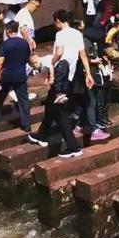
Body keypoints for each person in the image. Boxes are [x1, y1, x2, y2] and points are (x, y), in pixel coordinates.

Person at [28, 9, 94, 159]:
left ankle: (73, 147)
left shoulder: (60, 35)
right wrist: (88, 74)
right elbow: (82, 55)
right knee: (51, 106)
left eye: (55, 21)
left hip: (60, 75)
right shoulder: (77, 34)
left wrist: (49, 67)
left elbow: (58, 53)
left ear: (58, 20)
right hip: (69, 76)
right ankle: (42, 135)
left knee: (61, 111)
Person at [0, 21, 32, 132]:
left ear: (8, 31)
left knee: (0, 96)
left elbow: (0, 62)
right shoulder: (24, 43)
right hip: (20, 75)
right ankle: (27, 124)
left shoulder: (6, 44)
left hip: (7, 75)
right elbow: (27, 58)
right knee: (24, 100)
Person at [72, 20, 110, 142]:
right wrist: (93, 62)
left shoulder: (84, 39)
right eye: (82, 24)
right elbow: (81, 57)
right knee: (91, 102)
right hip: (86, 75)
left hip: (87, 74)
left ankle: (79, 125)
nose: (84, 25)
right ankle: (93, 129)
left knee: (84, 102)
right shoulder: (80, 41)